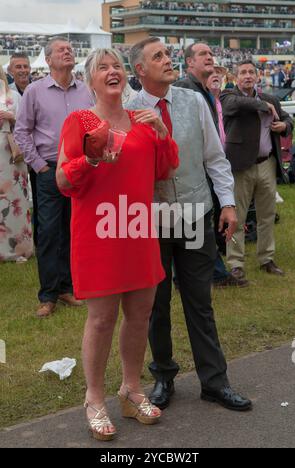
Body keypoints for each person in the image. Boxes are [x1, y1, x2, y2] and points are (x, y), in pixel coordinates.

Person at [56, 48, 179, 440]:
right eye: (102, 68)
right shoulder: (80, 121)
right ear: (90, 80)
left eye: (117, 67)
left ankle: (131, 388)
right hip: (98, 234)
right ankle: (94, 398)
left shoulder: (143, 121)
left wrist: (161, 133)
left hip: (138, 229)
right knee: (102, 318)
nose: (112, 72)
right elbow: (62, 181)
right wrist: (90, 159)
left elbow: (163, 170)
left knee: (140, 314)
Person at [128, 37, 252, 412]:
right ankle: (163, 376)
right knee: (156, 304)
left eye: (167, 54)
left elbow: (215, 157)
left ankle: (214, 382)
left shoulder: (194, 101)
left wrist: (228, 204)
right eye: (158, 57)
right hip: (151, 220)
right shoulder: (128, 110)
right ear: (140, 70)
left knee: (200, 302)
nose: (168, 60)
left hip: (196, 214)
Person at [14, 37, 94, 317]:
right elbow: (21, 131)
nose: (68, 51)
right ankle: (48, 294)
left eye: (70, 49)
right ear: (48, 60)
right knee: (49, 232)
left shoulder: (86, 91)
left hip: (80, 169)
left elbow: (94, 127)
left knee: (75, 229)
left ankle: (67, 287)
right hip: (49, 169)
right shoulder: (35, 91)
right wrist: (39, 166)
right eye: (61, 50)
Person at [174, 43, 247, 288]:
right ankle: (206, 273)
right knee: (194, 225)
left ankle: (211, 271)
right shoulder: (185, 88)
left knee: (202, 222)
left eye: (211, 54)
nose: (210, 57)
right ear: (189, 63)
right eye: (203, 54)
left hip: (206, 165)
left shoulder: (204, 90)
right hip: (192, 170)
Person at [221, 60, 294, 281]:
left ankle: (266, 258)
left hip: (267, 164)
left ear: (258, 76)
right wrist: (262, 106)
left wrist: (284, 126)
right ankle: (235, 263)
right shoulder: (228, 97)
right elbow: (239, 105)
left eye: (251, 72)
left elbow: (287, 118)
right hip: (241, 166)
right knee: (238, 217)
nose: (247, 76)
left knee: (267, 215)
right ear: (235, 77)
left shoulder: (270, 99)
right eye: (242, 72)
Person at [0, 65, 33, 262]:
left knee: (15, 199)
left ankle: (20, 247)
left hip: (12, 153)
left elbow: (27, 122)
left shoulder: (13, 94)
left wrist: (11, 117)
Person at [9, 52, 39, 248]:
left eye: (25, 66)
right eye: (18, 67)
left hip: (37, 153)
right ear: (10, 70)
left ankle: (38, 239)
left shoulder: (38, 90)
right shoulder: (6, 94)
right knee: (17, 199)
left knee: (38, 199)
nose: (22, 70)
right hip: (15, 154)